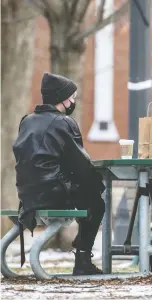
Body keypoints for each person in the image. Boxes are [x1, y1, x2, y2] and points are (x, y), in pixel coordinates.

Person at [13, 72, 105, 276]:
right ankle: (82, 259)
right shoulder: (64, 122)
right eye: (71, 97)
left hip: (26, 194)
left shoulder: (26, 120)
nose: (73, 101)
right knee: (96, 203)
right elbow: (82, 164)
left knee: (87, 196)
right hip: (53, 193)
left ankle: (81, 251)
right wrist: (97, 184)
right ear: (61, 98)